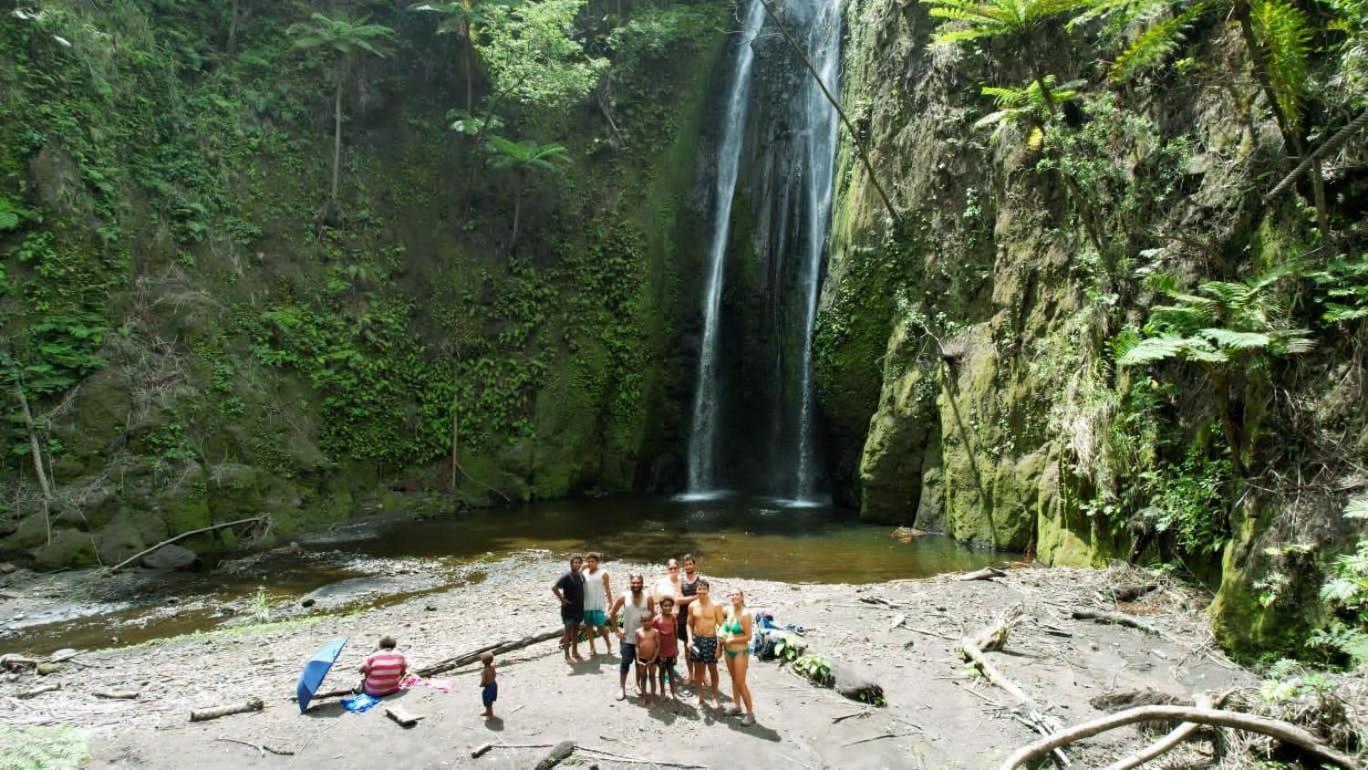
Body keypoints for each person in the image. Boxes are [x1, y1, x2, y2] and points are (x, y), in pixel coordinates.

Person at [608, 574, 653, 700]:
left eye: (638, 583)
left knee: (640, 663)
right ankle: (622, 688)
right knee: (625, 663)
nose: (636, 585)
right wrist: (616, 630)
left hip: (642, 638)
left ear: (642, 584)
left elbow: (651, 617)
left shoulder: (648, 598)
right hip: (627, 637)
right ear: (630, 583)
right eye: (633, 583)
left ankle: (637, 684)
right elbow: (612, 613)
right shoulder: (624, 596)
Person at [686, 579, 725, 710]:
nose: (701, 591)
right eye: (699, 589)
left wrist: (720, 645)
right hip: (697, 640)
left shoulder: (716, 605)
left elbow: (722, 625)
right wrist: (690, 639)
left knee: (713, 669)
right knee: (698, 670)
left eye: (704, 589)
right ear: (696, 590)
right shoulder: (692, 605)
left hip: (711, 640)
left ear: (708, 590)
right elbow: (689, 624)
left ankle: (715, 697)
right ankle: (700, 695)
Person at [722, 588, 756, 725]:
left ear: (742, 597)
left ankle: (750, 714)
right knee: (734, 678)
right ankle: (736, 705)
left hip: (740, 651)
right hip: (728, 651)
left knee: (741, 682)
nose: (734, 596)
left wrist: (733, 640)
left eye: (737, 594)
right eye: (732, 594)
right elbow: (724, 626)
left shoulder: (745, 614)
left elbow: (749, 636)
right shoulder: (729, 610)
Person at [552, 555, 586, 663]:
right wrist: (562, 600)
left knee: (576, 631)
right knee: (568, 633)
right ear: (571, 564)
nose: (577, 564)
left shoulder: (581, 575)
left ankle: (575, 652)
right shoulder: (566, 576)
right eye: (575, 562)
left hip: (579, 608)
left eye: (578, 563)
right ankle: (567, 656)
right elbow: (554, 588)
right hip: (568, 608)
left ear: (581, 564)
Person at [676, 554, 701, 686]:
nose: (688, 566)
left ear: (694, 564)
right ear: (683, 566)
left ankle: (702, 674)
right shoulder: (681, 581)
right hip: (683, 618)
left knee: (701, 646)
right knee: (687, 647)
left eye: (690, 564)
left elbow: (705, 597)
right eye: (686, 565)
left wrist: (693, 598)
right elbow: (678, 600)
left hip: (698, 617)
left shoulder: (700, 581)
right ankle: (691, 674)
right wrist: (695, 597)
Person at [581, 553, 613, 656]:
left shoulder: (603, 573)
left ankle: (609, 646)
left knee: (600, 626)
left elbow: (607, 588)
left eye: (593, 561)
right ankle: (592, 647)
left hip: (598, 603)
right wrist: (582, 568)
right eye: (588, 561)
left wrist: (611, 602)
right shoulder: (584, 572)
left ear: (597, 562)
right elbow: (577, 581)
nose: (590, 563)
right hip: (586, 604)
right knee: (588, 626)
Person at [654, 596, 681, 701]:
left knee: (671, 671)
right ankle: (662, 691)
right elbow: (654, 636)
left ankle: (673, 692)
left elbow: (675, 634)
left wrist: (676, 649)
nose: (667, 608)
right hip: (661, 651)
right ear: (661, 606)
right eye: (665, 605)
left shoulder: (673, 618)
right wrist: (657, 653)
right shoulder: (656, 620)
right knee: (661, 671)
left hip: (671, 650)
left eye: (670, 606)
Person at [634, 607, 661, 705]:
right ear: (641, 621)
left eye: (649, 620)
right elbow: (637, 646)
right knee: (643, 677)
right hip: (642, 659)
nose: (647, 623)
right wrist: (637, 659)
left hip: (652, 660)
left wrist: (653, 659)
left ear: (652, 620)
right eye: (644, 621)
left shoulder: (656, 632)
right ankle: (644, 697)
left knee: (652, 677)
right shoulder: (638, 632)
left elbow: (658, 646)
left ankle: (653, 698)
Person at [479, 651, 498, 719]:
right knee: (489, 700)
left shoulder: (484, 671)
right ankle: (488, 712)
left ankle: (490, 714)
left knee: (487, 701)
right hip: (494, 685)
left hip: (488, 687)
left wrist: (481, 684)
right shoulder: (492, 668)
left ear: (483, 662)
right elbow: (494, 675)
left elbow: (484, 680)